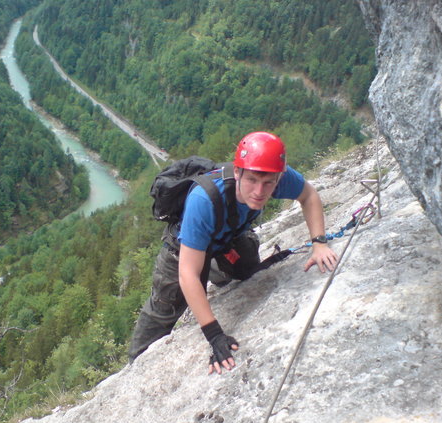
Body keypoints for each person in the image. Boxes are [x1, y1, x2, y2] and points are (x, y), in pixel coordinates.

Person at [128, 131, 339, 374]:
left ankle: (216, 271)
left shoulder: (274, 175)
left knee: (247, 267)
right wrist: (214, 335)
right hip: (183, 249)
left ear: (279, 177)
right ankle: (135, 364)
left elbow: (309, 195)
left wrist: (319, 243)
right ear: (237, 172)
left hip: (227, 237)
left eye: (268, 183)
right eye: (252, 180)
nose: (260, 191)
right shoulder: (203, 200)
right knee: (164, 307)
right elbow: (188, 273)